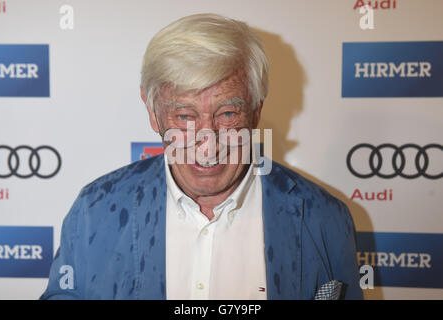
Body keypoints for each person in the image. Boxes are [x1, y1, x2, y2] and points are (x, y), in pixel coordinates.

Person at [40, 13, 362, 300]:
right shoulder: (94, 214)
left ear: (255, 110)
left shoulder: (323, 220)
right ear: (153, 112)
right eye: (184, 116)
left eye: (227, 113)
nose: (208, 142)